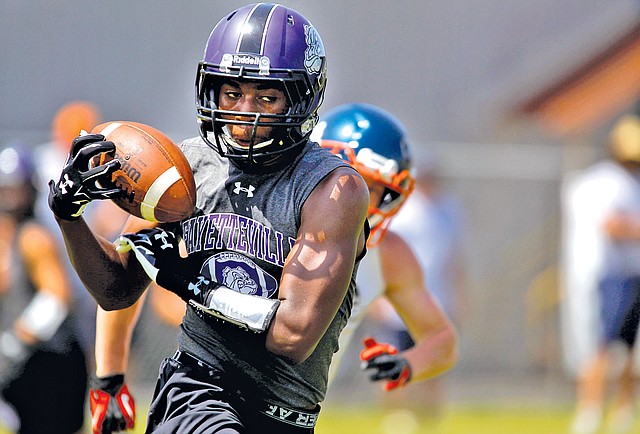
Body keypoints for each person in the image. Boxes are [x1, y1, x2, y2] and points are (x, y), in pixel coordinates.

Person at [47, 4, 369, 434]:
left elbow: (292, 336)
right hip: (198, 388)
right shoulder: (187, 169)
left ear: (301, 98)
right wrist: (69, 217)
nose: (243, 115)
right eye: (232, 93)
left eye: (266, 97)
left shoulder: (331, 188)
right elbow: (117, 288)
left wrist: (188, 282)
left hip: (286, 411)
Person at [312, 103, 459, 390]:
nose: (353, 197)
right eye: (346, 180)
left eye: (370, 187)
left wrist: (407, 364)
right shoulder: (268, 222)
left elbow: (441, 340)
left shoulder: (387, 254)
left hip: (297, 413)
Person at [0, 145, 88, 434]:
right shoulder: (8, 235)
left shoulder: (33, 237)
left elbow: (56, 298)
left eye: (16, 190)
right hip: (26, 364)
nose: (10, 199)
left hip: (50, 363)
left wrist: (15, 341)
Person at [562, 114, 640, 434]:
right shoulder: (605, 182)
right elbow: (611, 224)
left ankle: (623, 415)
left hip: (632, 274)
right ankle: (589, 414)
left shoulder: (631, 183)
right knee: (602, 349)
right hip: (608, 276)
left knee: (629, 353)